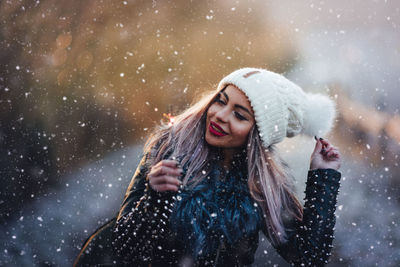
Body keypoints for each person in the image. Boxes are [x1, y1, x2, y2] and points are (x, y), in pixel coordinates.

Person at [75, 67, 342, 266]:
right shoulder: (169, 150)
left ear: (257, 136)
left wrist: (323, 176)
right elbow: (126, 246)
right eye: (221, 100)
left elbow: (309, 257)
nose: (220, 116)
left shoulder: (263, 185)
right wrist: (154, 198)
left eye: (239, 115)